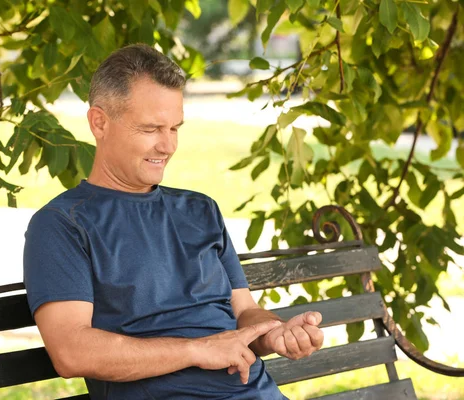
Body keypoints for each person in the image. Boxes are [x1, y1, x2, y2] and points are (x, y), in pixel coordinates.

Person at [23, 44, 324, 400]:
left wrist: (274, 333)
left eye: (175, 128)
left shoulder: (201, 211)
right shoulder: (63, 225)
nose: (167, 146)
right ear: (99, 122)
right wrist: (197, 349)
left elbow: (245, 312)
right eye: (151, 129)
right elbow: (72, 352)